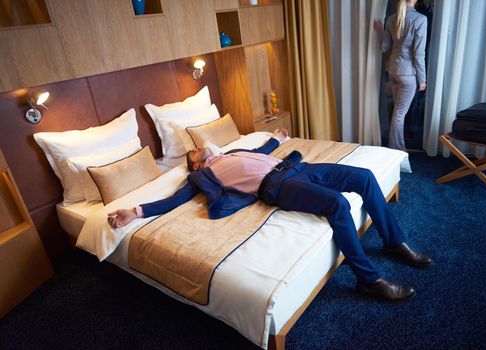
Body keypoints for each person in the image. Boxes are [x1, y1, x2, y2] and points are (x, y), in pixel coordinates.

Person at [108, 129, 431, 302]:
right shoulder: (200, 176)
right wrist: (135, 212)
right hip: (277, 186)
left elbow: (262, 153)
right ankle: (368, 280)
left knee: (363, 177)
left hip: (294, 168)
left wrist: (277, 138)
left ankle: (393, 241)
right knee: (337, 205)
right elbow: (173, 200)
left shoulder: (231, 152)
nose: (199, 148)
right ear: (195, 163)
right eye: (193, 151)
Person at [374, 0, 428, 151]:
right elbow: (419, 53)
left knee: (397, 113)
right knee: (399, 115)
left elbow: (384, 47)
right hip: (408, 73)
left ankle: (397, 148)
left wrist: (379, 31)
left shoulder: (392, 18)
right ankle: (397, 150)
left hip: (393, 70)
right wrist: (422, 79)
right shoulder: (420, 19)